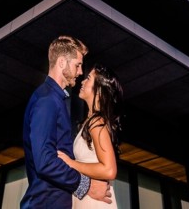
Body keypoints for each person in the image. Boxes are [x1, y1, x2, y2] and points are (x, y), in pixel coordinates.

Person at [21, 35, 112, 208]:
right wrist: (86, 186)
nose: (80, 72)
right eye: (78, 65)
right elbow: (45, 161)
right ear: (62, 62)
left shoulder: (54, 99)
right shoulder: (47, 100)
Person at [58, 63, 124, 208]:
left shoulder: (96, 122)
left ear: (99, 91)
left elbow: (109, 170)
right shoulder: (91, 122)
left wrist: (70, 163)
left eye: (88, 78)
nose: (82, 81)